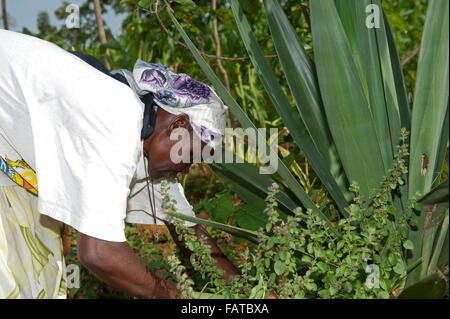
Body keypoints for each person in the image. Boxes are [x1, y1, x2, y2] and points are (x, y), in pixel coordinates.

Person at [0, 29, 238, 299]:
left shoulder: (145, 146)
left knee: (35, 277)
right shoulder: (119, 116)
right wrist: (172, 296)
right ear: (179, 125)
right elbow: (99, 252)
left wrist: (251, 297)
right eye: (191, 158)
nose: (186, 170)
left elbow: (189, 232)